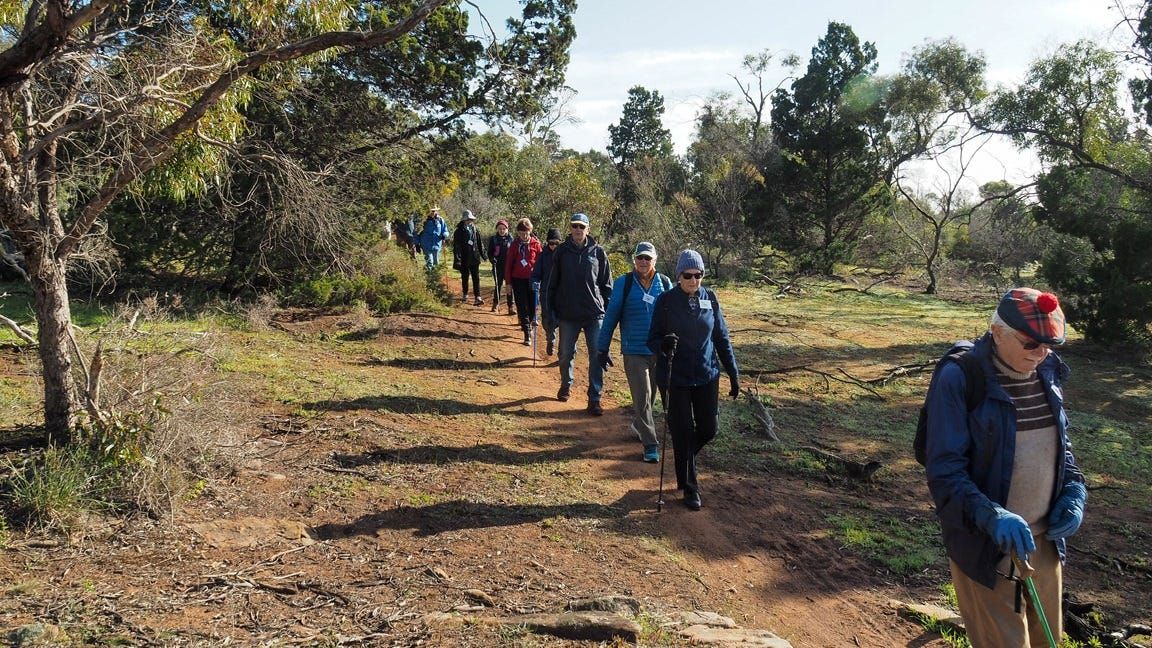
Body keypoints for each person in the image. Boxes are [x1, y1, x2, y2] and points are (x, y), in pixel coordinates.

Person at [924, 288, 1087, 648]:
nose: (1042, 353)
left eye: (1050, 344)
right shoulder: (961, 377)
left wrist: (1074, 491)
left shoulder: (1048, 373)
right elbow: (944, 469)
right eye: (1031, 343)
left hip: (1045, 542)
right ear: (997, 332)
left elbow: (1062, 450)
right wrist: (992, 515)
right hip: (986, 546)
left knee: (1050, 642)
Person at [646, 250, 739, 510]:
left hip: (706, 374)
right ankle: (690, 488)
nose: (694, 280)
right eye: (688, 275)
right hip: (675, 376)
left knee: (710, 429)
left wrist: (733, 373)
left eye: (698, 275)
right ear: (678, 276)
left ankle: (683, 461)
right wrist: (663, 345)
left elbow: (721, 337)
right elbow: (651, 339)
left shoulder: (710, 298)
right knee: (683, 432)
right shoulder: (665, 301)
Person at [596, 242, 674, 463]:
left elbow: (675, 315)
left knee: (651, 396)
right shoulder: (624, 283)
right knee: (642, 397)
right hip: (634, 350)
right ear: (634, 260)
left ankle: (640, 424)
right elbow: (611, 316)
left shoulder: (665, 283)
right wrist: (602, 348)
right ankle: (650, 444)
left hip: (660, 351)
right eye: (640, 258)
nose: (643, 262)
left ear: (654, 261)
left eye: (647, 258)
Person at [547, 212, 612, 414]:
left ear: (588, 229)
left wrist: (609, 313)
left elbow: (606, 285)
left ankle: (595, 398)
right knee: (565, 354)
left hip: (594, 314)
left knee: (597, 354)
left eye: (581, 227)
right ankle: (566, 384)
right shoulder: (561, 252)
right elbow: (552, 284)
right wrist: (550, 312)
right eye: (575, 226)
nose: (578, 230)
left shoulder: (598, 252)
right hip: (568, 314)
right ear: (570, 228)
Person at [505, 218, 542, 346]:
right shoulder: (514, 245)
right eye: (521, 233)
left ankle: (530, 323)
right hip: (517, 279)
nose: (524, 235)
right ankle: (526, 332)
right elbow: (508, 264)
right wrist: (508, 283)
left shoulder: (536, 244)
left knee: (532, 306)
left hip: (532, 279)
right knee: (521, 305)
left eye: (526, 233)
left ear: (530, 231)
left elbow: (541, 263)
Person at [530, 228, 563, 356]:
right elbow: (535, 274)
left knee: (564, 322)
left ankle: (565, 350)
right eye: (551, 243)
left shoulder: (566, 255)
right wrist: (534, 282)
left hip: (563, 294)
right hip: (546, 293)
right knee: (547, 320)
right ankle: (550, 339)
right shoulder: (543, 255)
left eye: (556, 243)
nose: (553, 246)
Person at [452, 209, 486, 305]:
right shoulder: (458, 231)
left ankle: (478, 297)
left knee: (476, 277)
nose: (470, 221)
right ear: (464, 220)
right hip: (464, 257)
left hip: (475, 257)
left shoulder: (475, 229)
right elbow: (456, 246)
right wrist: (458, 259)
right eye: (468, 219)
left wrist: (484, 255)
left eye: (471, 219)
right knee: (465, 276)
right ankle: (465, 294)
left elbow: (479, 243)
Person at [488, 219, 514, 314]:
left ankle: (510, 307)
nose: (502, 230)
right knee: (498, 285)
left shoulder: (511, 239)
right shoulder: (493, 239)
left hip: (509, 267)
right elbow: (489, 253)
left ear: (507, 229)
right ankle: (495, 304)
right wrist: (492, 259)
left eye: (504, 229)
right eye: (500, 228)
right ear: (497, 229)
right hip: (497, 266)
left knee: (509, 286)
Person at [416, 206, 448, 271]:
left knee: (436, 263)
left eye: (435, 210)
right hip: (426, 244)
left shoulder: (440, 220)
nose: (434, 212)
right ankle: (429, 277)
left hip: (437, 245)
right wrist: (417, 244)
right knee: (429, 262)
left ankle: (435, 277)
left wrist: (444, 235)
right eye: (432, 211)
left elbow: (445, 230)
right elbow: (417, 232)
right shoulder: (423, 220)